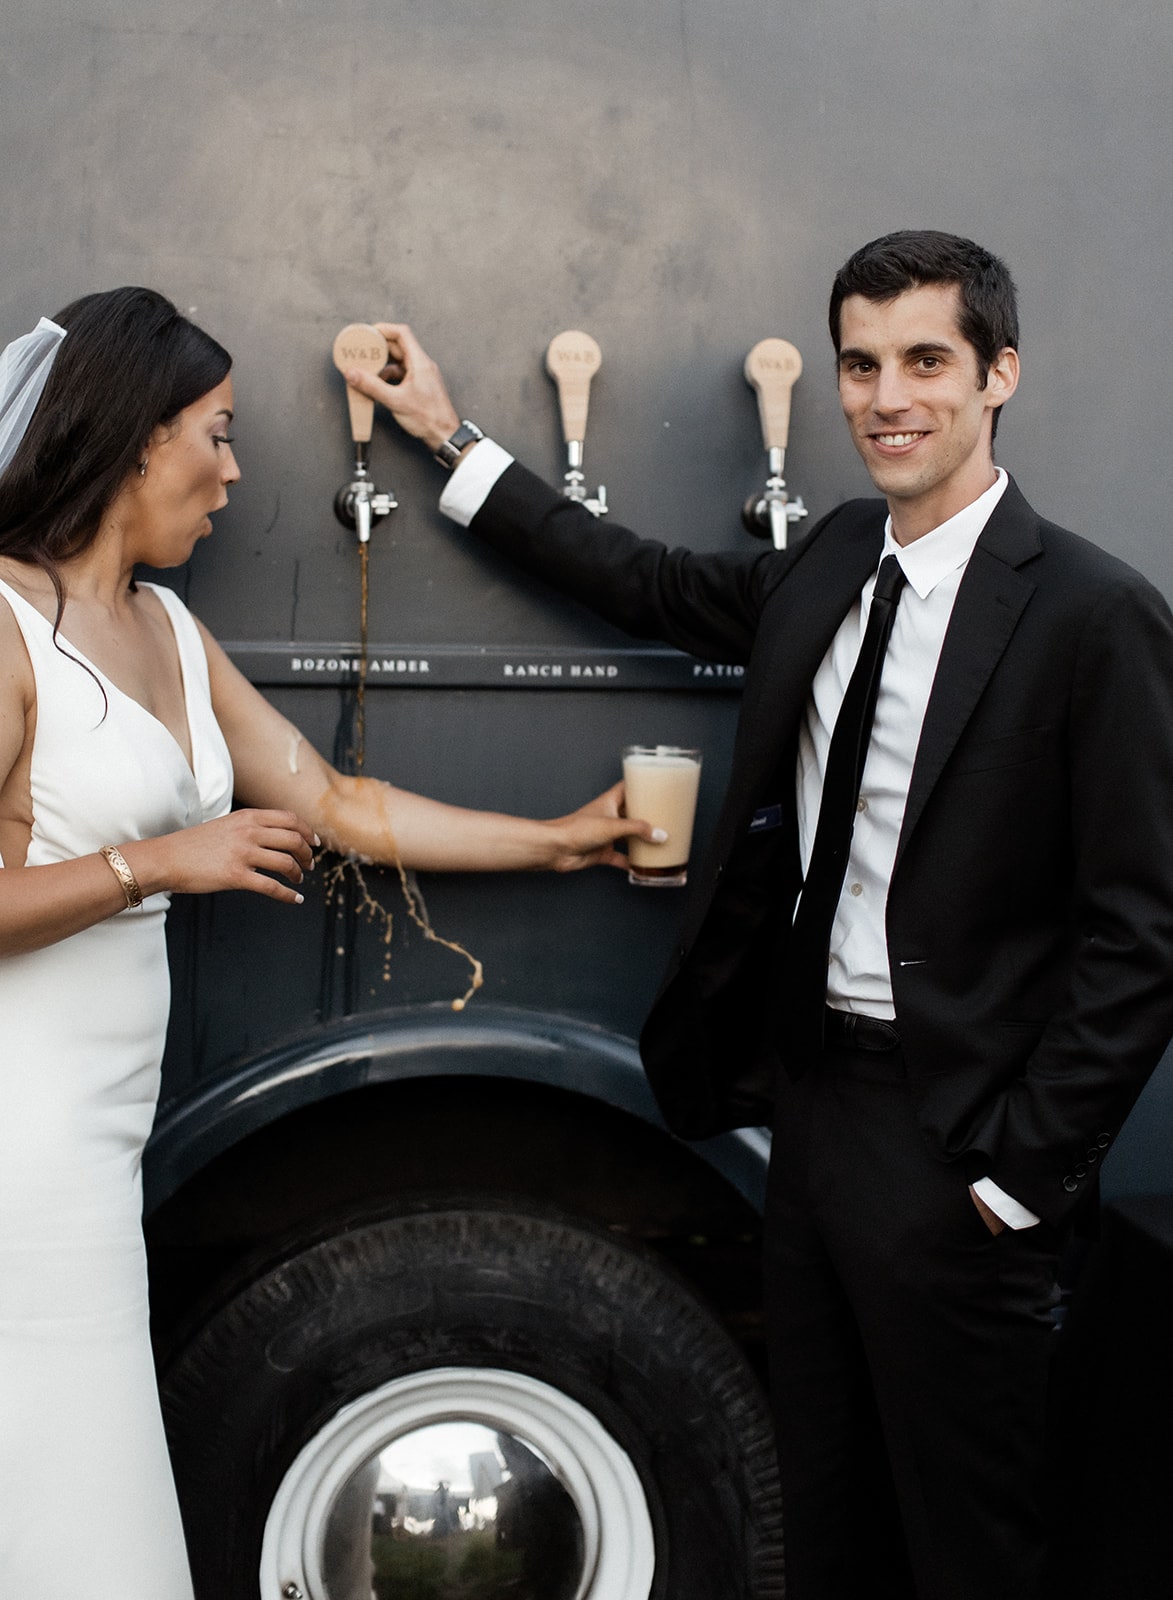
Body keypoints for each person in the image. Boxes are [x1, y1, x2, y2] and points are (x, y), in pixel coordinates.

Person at [350, 230, 1173, 1600]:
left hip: (958, 1139)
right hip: (811, 1112)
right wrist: (452, 442)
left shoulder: (1093, 614)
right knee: (827, 1515)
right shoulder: (835, 553)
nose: (884, 397)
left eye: (924, 360)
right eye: (860, 364)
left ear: (997, 375)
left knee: (971, 1541)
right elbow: (649, 583)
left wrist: (1018, 1176)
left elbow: (1142, 929)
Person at [0, 288, 657, 1600]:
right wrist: (160, 861)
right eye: (217, 435)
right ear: (134, 442)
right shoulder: (3, 621)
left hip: (92, 1142)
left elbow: (340, 805)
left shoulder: (172, 634)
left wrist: (558, 840)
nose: (237, 473)